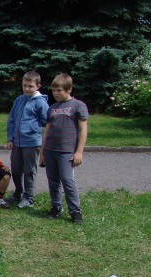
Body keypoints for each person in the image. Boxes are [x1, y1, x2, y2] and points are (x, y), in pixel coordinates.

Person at [40, 73, 89, 224]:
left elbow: (83, 129)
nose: (55, 93)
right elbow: (46, 131)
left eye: (59, 90)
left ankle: (75, 210)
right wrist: (42, 153)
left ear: (69, 89)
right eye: (53, 90)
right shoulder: (52, 108)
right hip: (50, 150)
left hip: (67, 151)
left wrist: (79, 151)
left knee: (67, 180)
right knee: (53, 181)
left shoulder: (78, 106)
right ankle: (56, 207)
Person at [7, 70, 49, 208]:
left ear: (38, 86)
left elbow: (47, 121)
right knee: (16, 169)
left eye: (30, 86)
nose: (26, 88)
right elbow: (12, 120)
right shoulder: (19, 100)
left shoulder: (40, 103)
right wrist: (10, 138)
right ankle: (18, 192)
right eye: (24, 85)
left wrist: (33, 128)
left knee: (29, 170)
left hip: (31, 142)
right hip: (17, 142)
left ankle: (29, 197)